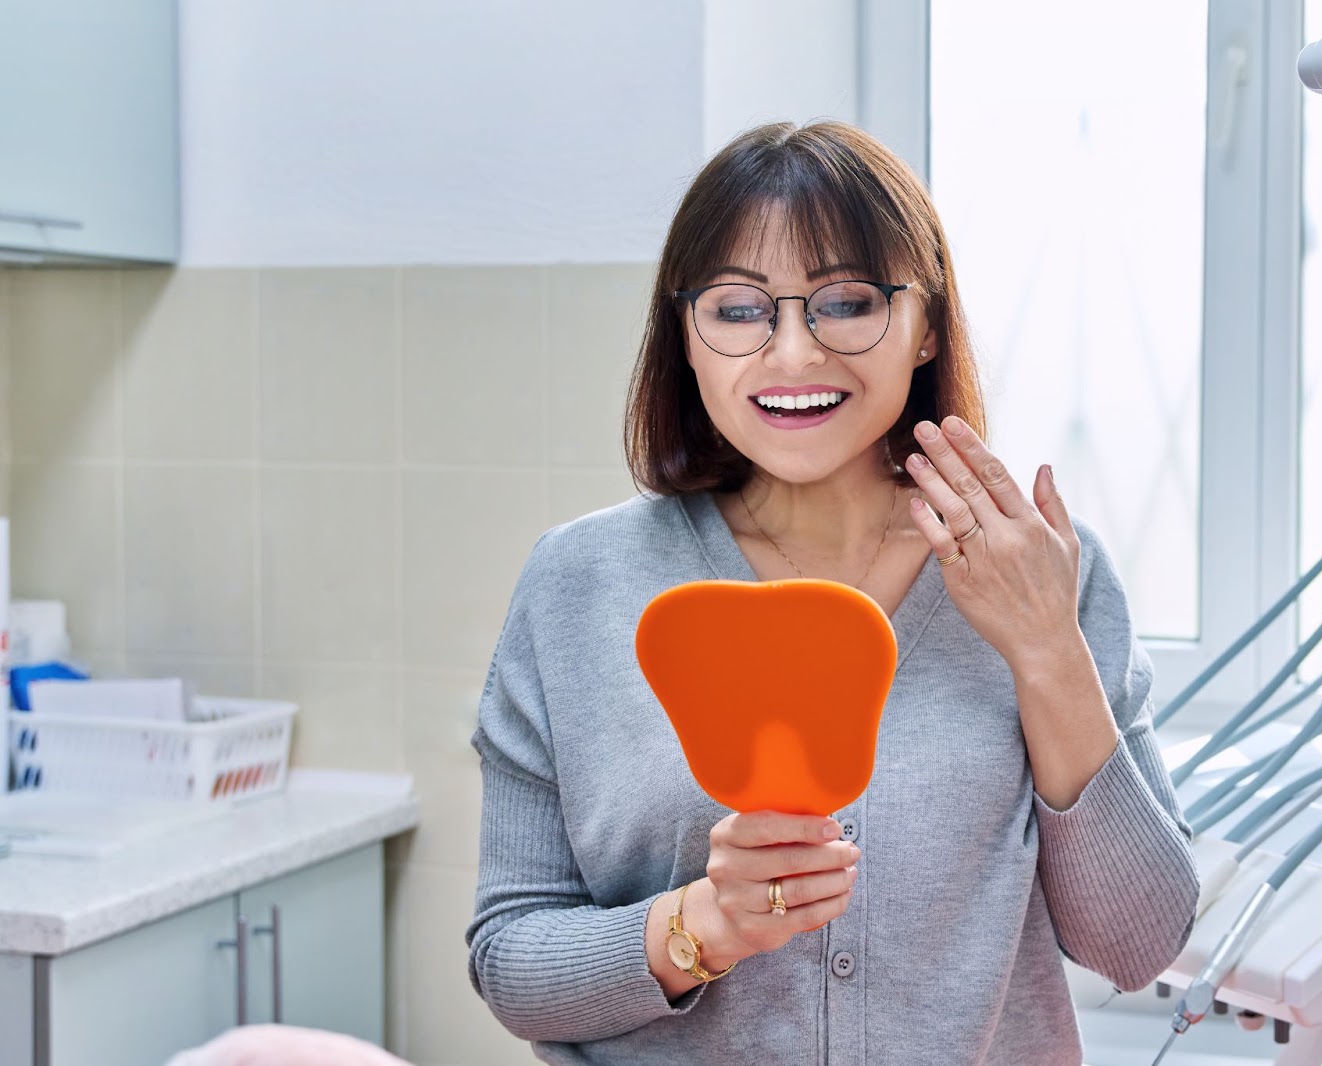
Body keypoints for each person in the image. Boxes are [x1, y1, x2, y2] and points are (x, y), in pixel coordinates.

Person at [467, 120, 1198, 1065]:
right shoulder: (577, 586)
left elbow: (1137, 945)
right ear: (684, 337)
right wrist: (702, 928)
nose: (793, 354)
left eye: (847, 302)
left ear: (928, 323)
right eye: (737, 310)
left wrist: (1046, 645)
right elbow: (511, 964)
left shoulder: (1047, 568)